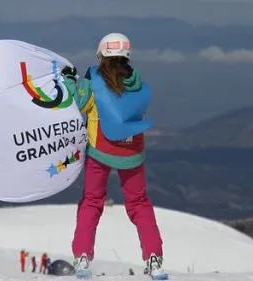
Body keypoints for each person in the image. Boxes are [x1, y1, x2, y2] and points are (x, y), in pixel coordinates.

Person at [61, 33, 167, 280]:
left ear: (101, 54)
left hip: (100, 150)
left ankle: (83, 257)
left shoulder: (93, 78)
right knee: (139, 203)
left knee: (91, 203)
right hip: (132, 151)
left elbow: (77, 104)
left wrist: (68, 81)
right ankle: (154, 259)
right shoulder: (137, 81)